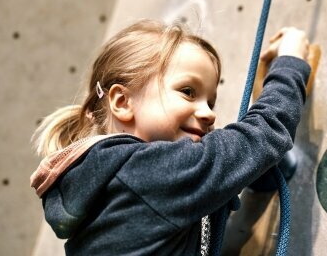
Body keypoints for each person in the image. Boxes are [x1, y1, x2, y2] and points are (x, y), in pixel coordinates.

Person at [30, 19, 310, 255]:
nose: (209, 114)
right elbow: (265, 133)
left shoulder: (109, 184)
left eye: (210, 103)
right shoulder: (146, 172)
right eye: (188, 91)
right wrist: (290, 62)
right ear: (123, 101)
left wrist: (248, 174)